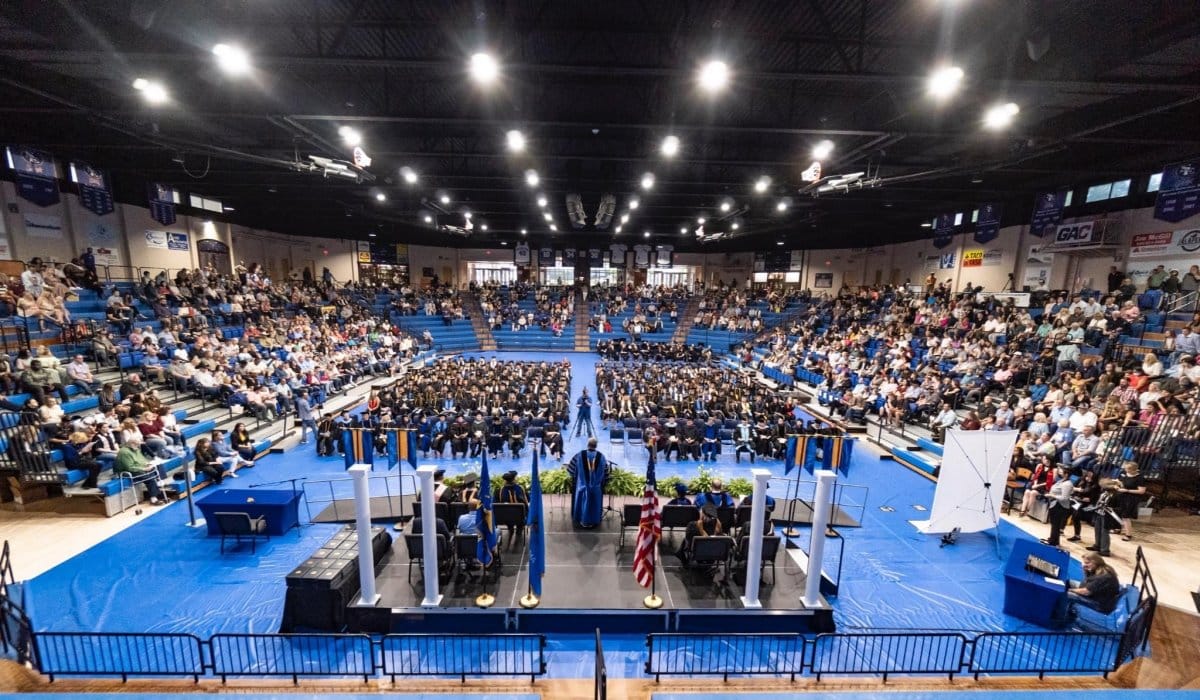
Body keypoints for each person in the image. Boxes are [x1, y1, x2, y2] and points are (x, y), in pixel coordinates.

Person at [566, 437, 609, 528]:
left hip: (582, 487)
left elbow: (570, 470)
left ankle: (582, 520)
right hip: (596, 489)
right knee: (594, 503)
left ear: (587, 444)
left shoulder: (579, 455)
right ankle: (593, 521)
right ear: (596, 445)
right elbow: (606, 473)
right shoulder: (601, 457)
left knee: (582, 502)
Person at [1063, 552, 1121, 619]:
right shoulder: (1100, 569)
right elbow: (1086, 583)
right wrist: (1086, 571)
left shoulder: (1104, 576)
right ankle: (1067, 608)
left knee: (1065, 593)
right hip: (1095, 595)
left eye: (1087, 563)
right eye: (1084, 562)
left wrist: (1069, 590)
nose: (1084, 565)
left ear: (1096, 562)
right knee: (1068, 583)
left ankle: (1060, 617)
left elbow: (1086, 592)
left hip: (1100, 604)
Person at [115, 434, 168, 505]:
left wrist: (148, 464)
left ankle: (158, 488)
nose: (138, 446)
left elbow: (142, 460)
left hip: (140, 468)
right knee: (150, 477)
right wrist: (144, 468)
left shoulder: (135, 449)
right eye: (137, 444)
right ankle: (154, 497)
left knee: (157, 466)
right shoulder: (124, 453)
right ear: (132, 444)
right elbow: (129, 467)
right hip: (128, 472)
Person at [675, 503, 723, 568]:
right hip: (714, 555)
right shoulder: (717, 527)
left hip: (698, 554)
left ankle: (680, 554)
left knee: (686, 540)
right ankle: (679, 553)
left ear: (702, 514)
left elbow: (689, 542)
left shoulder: (692, 525)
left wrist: (701, 530)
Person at [1112, 460, 1147, 542]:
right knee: (1118, 513)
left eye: (1127, 469)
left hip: (1131, 498)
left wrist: (1127, 490)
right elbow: (1119, 482)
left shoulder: (1140, 478)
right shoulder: (1123, 474)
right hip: (1121, 496)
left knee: (1125, 516)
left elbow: (1141, 491)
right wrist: (1116, 486)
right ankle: (1117, 528)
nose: (1125, 470)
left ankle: (1128, 535)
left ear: (1133, 470)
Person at [1040, 465, 1074, 547]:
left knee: (1056, 525)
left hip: (1060, 506)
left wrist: (1052, 496)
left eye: (1062, 470)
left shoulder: (1067, 484)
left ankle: (1053, 541)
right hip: (1055, 504)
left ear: (1066, 474)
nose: (1060, 471)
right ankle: (1054, 539)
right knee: (1054, 524)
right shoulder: (1062, 481)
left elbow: (1064, 498)